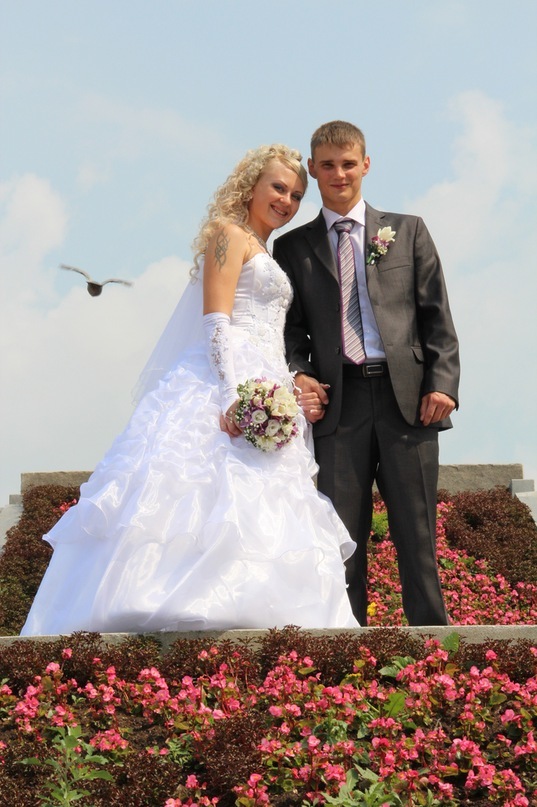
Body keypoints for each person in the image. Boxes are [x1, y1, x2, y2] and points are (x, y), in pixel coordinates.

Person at [21, 144, 359, 636]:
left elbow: (267, 334)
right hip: (223, 381)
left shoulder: (264, 249)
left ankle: (257, 605)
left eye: (295, 195)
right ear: (251, 185)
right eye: (278, 188)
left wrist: (289, 387)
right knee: (193, 489)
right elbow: (218, 321)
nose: (286, 201)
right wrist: (231, 397)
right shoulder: (229, 234)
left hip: (265, 384)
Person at [273, 121, 460, 626]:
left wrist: (443, 384)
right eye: (328, 165)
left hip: (410, 404)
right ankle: (347, 649)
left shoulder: (408, 230)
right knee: (341, 542)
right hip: (338, 407)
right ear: (312, 170)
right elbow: (288, 332)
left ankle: (433, 646)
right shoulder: (292, 248)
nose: (339, 173)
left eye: (348, 163)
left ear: (366, 165)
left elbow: (436, 316)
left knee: (417, 535)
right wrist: (299, 374)